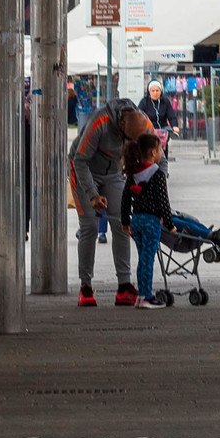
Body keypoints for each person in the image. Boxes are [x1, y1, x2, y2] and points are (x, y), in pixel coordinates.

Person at [68, 92, 148, 306]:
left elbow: (156, 153)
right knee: (90, 227)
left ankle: (124, 286)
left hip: (112, 173)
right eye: (127, 138)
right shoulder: (100, 122)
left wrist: (159, 177)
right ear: (121, 124)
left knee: (122, 223)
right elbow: (80, 160)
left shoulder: (142, 122)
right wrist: (92, 194)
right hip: (83, 169)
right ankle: (85, 287)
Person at [120, 129, 174, 309]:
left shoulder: (133, 173)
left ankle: (141, 295)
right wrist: (169, 223)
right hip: (151, 222)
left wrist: (125, 221)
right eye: (160, 150)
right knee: (148, 259)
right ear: (153, 152)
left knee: (142, 257)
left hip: (136, 221)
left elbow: (125, 198)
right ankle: (146, 296)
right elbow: (163, 201)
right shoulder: (157, 174)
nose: (161, 153)